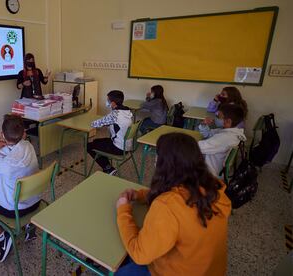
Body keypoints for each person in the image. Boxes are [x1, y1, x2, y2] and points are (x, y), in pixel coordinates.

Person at [116, 132, 231, 275]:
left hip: (177, 271)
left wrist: (123, 209)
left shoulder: (166, 206)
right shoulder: (214, 188)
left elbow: (140, 255)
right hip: (209, 270)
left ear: (165, 163)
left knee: (120, 269)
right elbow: (179, 195)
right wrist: (140, 195)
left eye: (157, 155)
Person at [0, 114, 39, 263]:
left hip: (15, 209)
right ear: (24, 133)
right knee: (22, 186)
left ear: (2, 135)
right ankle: (29, 227)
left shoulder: (1, 160)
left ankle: (2, 237)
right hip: (35, 203)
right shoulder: (29, 146)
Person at [87, 90, 133, 175]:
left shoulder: (114, 115)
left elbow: (95, 124)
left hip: (118, 148)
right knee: (97, 142)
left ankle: (108, 169)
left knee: (89, 146)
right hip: (127, 145)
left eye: (108, 100)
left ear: (113, 103)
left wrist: (89, 121)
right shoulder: (127, 111)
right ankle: (107, 165)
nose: (107, 102)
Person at [198, 104, 246, 176]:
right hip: (212, 164)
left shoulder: (225, 138)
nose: (216, 118)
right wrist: (203, 124)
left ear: (228, 121)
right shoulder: (231, 132)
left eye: (218, 116)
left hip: (208, 172)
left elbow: (198, 147)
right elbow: (208, 134)